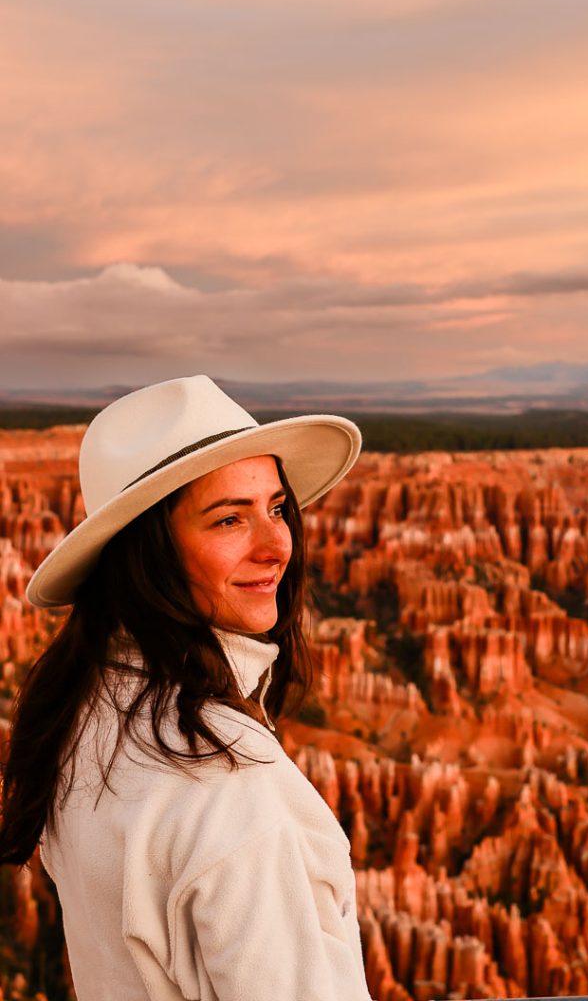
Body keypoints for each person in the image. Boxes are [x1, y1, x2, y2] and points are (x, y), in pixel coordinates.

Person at [0, 375, 373, 1001]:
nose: (276, 545)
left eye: (277, 508)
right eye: (229, 519)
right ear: (148, 554)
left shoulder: (84, 714)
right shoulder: (232, 789)